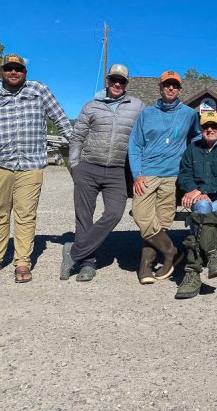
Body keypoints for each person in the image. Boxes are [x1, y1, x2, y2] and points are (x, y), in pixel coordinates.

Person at [0, 54, 72, 283]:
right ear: (2, 71)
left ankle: (22, 262)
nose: (14, 72)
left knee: (25, 215)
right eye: (9, 68)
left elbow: (62, 120)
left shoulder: (38, 90)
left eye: (18, 69)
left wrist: (78, 147)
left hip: (31, 165)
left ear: (25, 72)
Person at [60, 64, 144, 282]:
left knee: (115, 213)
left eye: (122, 81)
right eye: (114, 79)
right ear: (107, 80)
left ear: (126, 83)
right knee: (84, 216)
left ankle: (74, 251)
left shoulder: (137, 106)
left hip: (117, 169)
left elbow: (144, 134)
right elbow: (77, 136)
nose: (117, 84)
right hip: (88, 167)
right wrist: (75, 164)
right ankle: (88, 263)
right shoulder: (91, 106)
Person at [128, 70, 200, 284]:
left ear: (179, 89)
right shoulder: (146, 114)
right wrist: (137, 175)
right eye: (167, 85)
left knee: (162, 222)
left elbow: (197, 136)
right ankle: (172, 252)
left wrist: (194, 157)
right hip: (147, 175)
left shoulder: (189, 114)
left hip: (172, 176)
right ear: (159, 87)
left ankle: (145, 266)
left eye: (175, 85)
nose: (170, 88)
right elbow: (135, 145)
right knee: (141, 216)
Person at [175, 111, 217, 299]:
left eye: (213, 126)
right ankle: (211, 255)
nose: (209, 129)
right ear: (201, 129)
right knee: (202, 211)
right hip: (200, 200)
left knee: (201, 214)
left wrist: (202, 191)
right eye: (205, 126)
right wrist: (192, 190)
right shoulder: (192, 148)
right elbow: (184, 174)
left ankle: (191, 272)